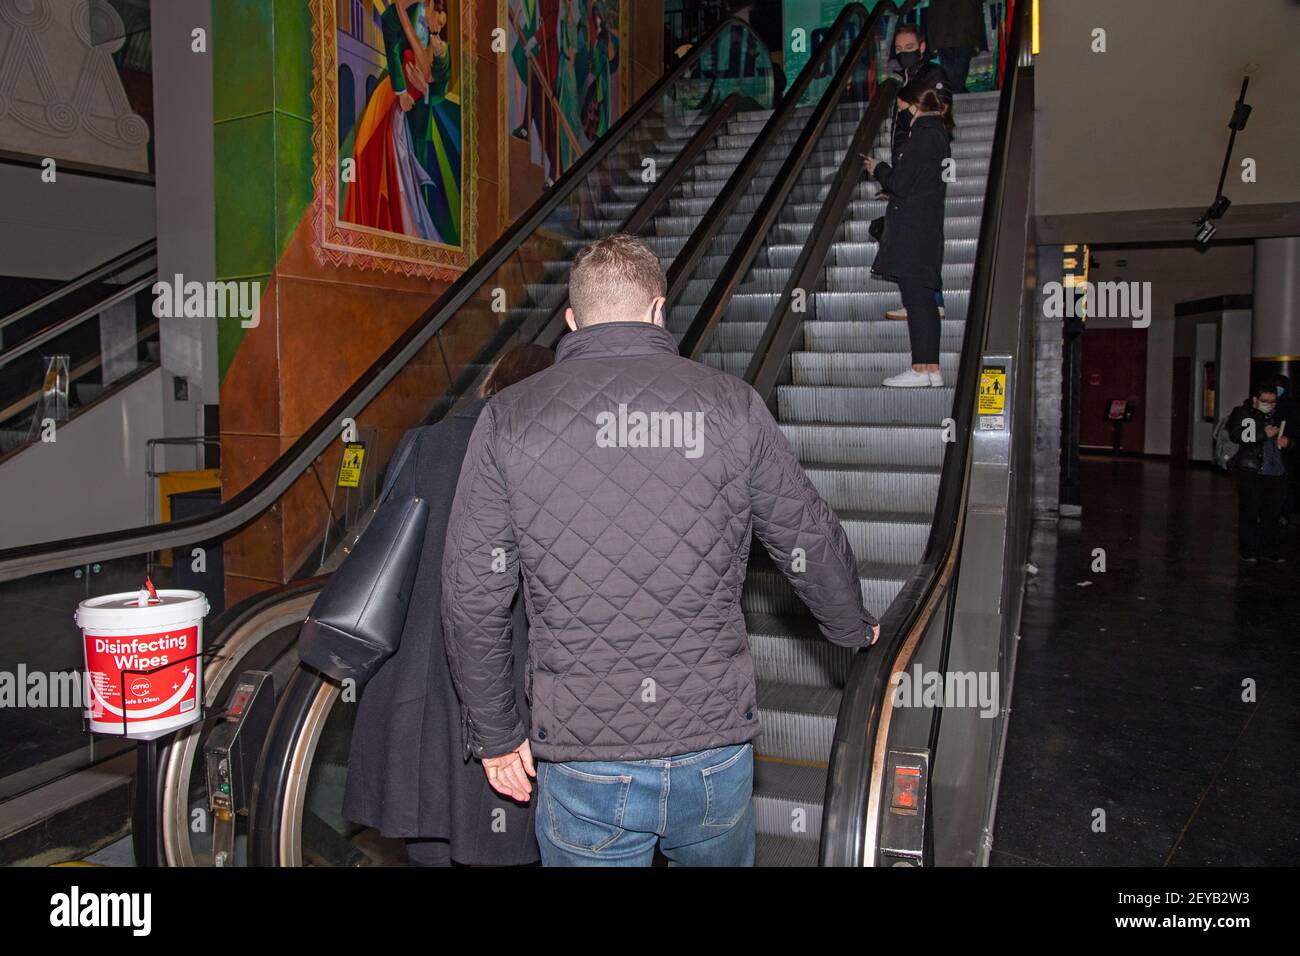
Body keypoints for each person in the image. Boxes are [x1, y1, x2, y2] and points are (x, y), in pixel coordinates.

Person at [441, 234, 880, 867]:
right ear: (658, 309)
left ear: (572, 319)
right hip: (712, 745)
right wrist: (850, 625)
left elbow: (472, 593)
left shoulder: (509, 418)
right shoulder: (732, 406)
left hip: (583, 753)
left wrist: (495, 735)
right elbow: (805, 536)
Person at [342, 344, 556, 867]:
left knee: (432, 842)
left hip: (420, 692)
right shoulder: (550, 452)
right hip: (508, 693)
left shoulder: (425, 443)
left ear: (490, 386)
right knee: (506, 844)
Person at [865, 79, 954, 387]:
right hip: (925, 228)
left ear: (915, 105)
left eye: (902, 108)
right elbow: (918, 184)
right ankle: (930, 369)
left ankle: (921, 367)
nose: (900, 114)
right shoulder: (937, 135)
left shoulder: (924, 136)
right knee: (923, 299)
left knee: (917, 300)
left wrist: (879, 168)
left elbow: (902, 183)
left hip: (914, 231)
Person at [879, 23, 950, 323]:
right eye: (899, 48)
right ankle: (920, 299)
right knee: (908, 232)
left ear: (922, 47)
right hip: (908, 164)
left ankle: (931, 300)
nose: (904, 53)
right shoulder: (903, 79)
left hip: (923, 165)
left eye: (910, 47)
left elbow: (940, 116)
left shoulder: (932, 77)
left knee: (919, 232)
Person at [1227, 382, 1290, 563]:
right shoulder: (1243, 413)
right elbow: (1238, 435)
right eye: (1265, 401)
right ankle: (1249, 550)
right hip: (1252, 470)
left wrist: (1289, 443)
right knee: (1250, 512)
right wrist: (1264, 434)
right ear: (1255, 399)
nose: (1269, 405)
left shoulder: (1279, 414)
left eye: (1272, 402)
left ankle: (1269, 549)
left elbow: (1293, 438)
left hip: (1276, 471)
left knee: (1273, 514)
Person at [925, 0, 986, 95]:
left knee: (951, 76)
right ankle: (958, 97)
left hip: (943, 34)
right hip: (965, 33)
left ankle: (954, 98)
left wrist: (901, 10)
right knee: (958, 76)